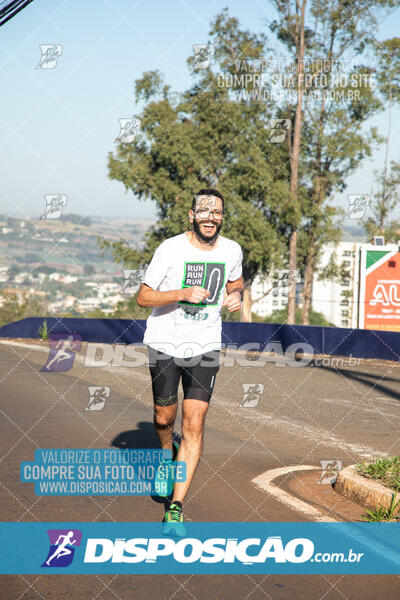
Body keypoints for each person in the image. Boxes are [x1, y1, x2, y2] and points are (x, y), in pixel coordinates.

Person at [137, 189, 243, 534]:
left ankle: (176, 509)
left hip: (206, 344)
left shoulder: (231, 250)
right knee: (163, 418)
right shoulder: (170, 249)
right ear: (191, 215)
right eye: (204, 211)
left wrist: (236, 295)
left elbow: (236, 281)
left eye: (217, 213)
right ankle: (167, 452)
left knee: (194, 421)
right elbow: (143, 297)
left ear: (222, 218)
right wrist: (181, 293)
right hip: (165, 341)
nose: (210, 217)